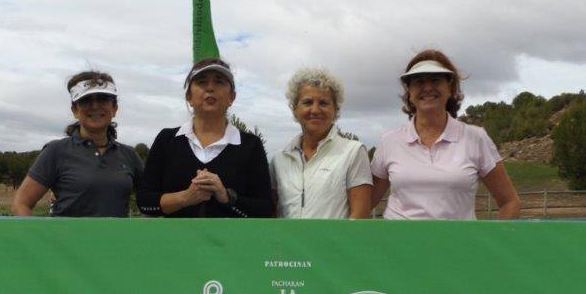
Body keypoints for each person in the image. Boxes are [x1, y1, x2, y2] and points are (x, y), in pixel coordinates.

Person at [371, 50, 521, 220]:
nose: (427, 87)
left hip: (459, 245)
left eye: (435, 80)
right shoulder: (389, 142)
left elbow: (509, 202)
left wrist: (490, 244)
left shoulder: (476, 138)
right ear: (409, 92)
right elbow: (365, 202)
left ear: (450, 88)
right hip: (397, 244)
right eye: (419, 82)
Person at [137, 58, 272, 218]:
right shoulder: (167, 140)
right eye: (202, 82)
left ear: (232, 97)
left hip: (232, 242)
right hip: (174, 242)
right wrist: (185, 198)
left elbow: (264, 209)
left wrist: (226, 197)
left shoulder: (250, 145)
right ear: (189, 97)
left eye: (219, 82)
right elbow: (145, 202)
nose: (210, 88)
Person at [12, 71, 143, 217]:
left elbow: (150, 201)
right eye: (86, 100)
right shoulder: (56, 151)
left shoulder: (129, 155)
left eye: (102, 99)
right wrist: (36, 237)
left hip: (117, 239)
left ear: (114, 108)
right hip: (65, 239)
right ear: (74, 110)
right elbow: (21, 203)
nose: (95, 106)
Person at [270, 68, 372, 219]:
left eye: (324, 103)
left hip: (335, 243)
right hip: (287, 243)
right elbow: (272, 212)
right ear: (295, 109)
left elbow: (360, 215)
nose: (315, 110)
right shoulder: (279, 159)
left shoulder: (353, 152)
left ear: (335, 110)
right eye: (307, 102)